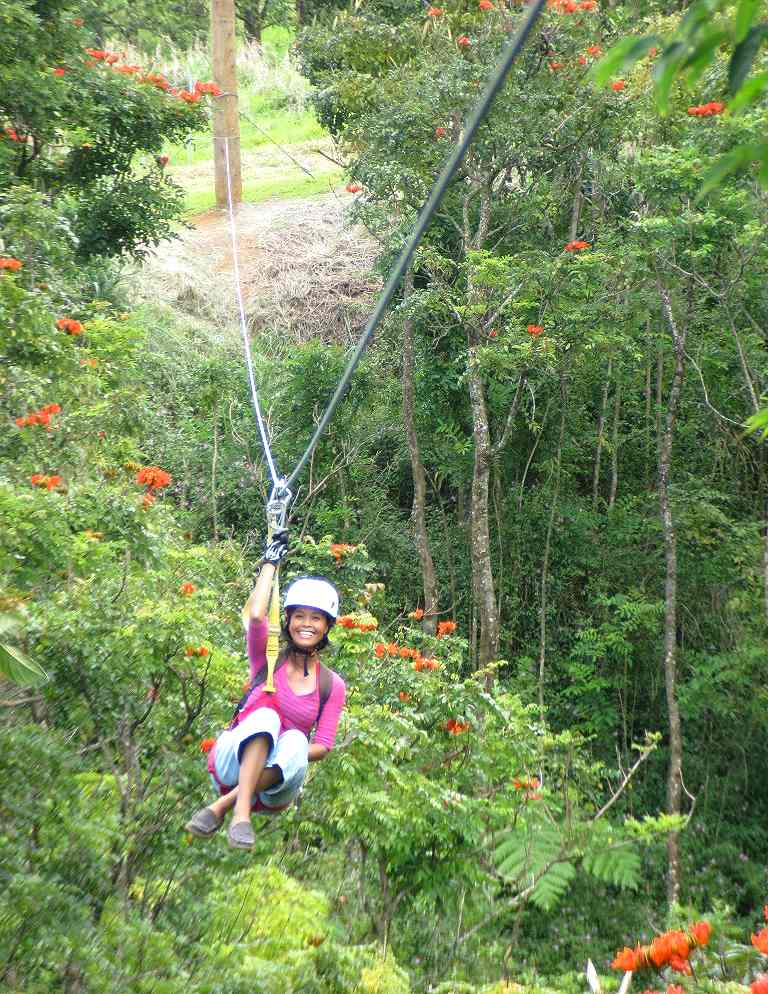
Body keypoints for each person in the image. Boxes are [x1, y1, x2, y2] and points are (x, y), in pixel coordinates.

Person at [185, 529, 346, 850]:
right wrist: (271, 562)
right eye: (299, 616)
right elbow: (257, 615)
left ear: (327, 625)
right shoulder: (267, 659)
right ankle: (238, 813)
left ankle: (226, 806)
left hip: (277, 782)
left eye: (316, 618)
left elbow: (324, 746)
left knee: (298, 739)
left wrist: (291, 751)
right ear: (287, 621)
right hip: (233, 761)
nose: (306, 624)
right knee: (266, 719)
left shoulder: (332, 685)